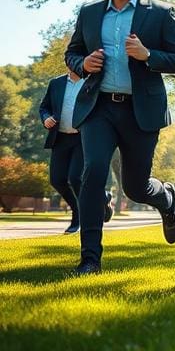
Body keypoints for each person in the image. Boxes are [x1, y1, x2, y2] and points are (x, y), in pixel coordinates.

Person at [64, 0, 175, 275]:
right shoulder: (90, 12)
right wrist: (83, 62)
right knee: (92, 173)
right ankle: (90, 258)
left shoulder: (160, 13)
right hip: (98, 107)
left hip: (140, 110)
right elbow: (72, 53)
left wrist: (148, 55)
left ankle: (165, 198)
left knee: (135, 186)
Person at [39, 69, 113, 233]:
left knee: (76, 177)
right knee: (57, 180)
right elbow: (44, 107)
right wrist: (46, 118)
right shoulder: (56, 83)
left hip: (83, 138)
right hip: (60, 138)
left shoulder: (91, 82)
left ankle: (78, 217)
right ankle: (102, 198)